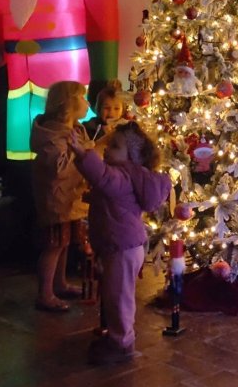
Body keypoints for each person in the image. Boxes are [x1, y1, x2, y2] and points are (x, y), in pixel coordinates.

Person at [71, 121, 170, 365]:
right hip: (120, 245)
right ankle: (115, 335)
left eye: (114, 146)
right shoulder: (126, 174)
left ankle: (122, 344)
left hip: (123, 247)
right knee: (114, 293)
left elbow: (104, 177)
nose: (107, 149)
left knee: (119, 297)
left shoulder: (123, 175)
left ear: (132, 156)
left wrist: (83, 153)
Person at [31, 81, 90, 312]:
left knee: (64, 243)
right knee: (54, 245)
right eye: (83, 98)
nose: (86, 103)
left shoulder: (75, 129)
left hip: (70, 198)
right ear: (68, 104)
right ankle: (45, 294)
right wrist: (83, 151)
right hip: (56, 200)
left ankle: (60, 283)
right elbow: (59, 168)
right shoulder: (52, 135)